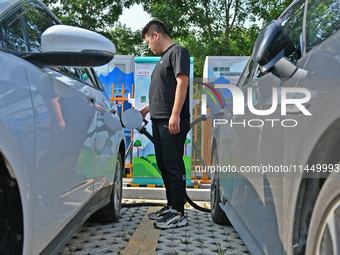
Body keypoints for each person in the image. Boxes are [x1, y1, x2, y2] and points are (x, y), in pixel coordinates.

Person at [139, 19, 190, 229]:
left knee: (172, 164)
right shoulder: (163, 59)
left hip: (172, 121)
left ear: (155, 35)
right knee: (163, 163)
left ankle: (179, 213)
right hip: (159, 119)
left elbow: (182, 82)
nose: (149, 47)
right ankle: (171, 206)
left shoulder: (178, 52)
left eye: (148, 42)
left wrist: (175, 114)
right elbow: (164, 90)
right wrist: (148, 108)